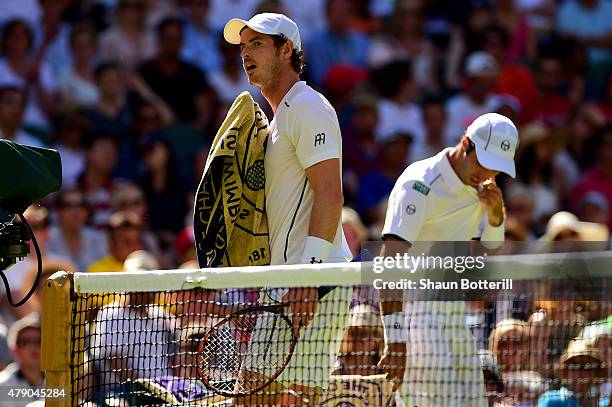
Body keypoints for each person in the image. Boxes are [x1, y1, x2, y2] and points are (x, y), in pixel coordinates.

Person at [223, 12, 352, 405]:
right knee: (303, 399)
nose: (246, 53)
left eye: (257, 44)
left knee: (250, 397)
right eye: (243, 46)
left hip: (311, 280)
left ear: (286, 50)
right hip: (304, 280)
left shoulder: (308, 106)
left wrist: (306, 278)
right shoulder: (278, 120)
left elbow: (330, 195)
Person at [378, 112, 519, 407]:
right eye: (483, 163)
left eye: (496, 169)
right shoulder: (418, 183)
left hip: (454, 312)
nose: (487, 174)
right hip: (413, 312)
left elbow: (493, 245)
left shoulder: (484, 189)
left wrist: (496, 215)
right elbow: (388, 264)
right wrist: (396, 338)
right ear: (465, 144)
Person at [0, 313, 43, 407]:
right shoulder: (3, 384)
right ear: (14, 350)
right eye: (25, 342)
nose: (33, 347)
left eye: (39, 341)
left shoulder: (60, 379)